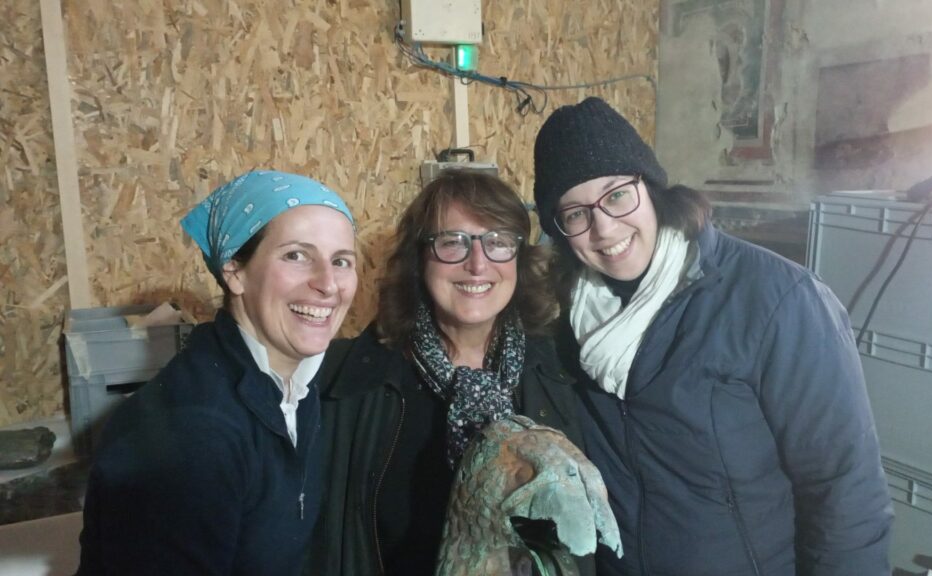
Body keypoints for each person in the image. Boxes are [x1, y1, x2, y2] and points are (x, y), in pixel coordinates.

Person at [531, 97, 894, 576]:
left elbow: (845, 489)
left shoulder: (777, 301)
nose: (604, 227)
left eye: (616, 195)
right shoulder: (569, 320)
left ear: (651, 188)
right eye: (576, 213)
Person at [306, 170, 594, 575]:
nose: (477, 264)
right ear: (419, 258)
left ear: (519, 258)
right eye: (452, 242)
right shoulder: (345, 380)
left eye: (498, 242)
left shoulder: (561, 366)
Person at [76, 170, 358, 576]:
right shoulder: (191, 433)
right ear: (234, 271)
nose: (328, 284)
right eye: (296, 255)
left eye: (341, 261)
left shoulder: (295, 388)